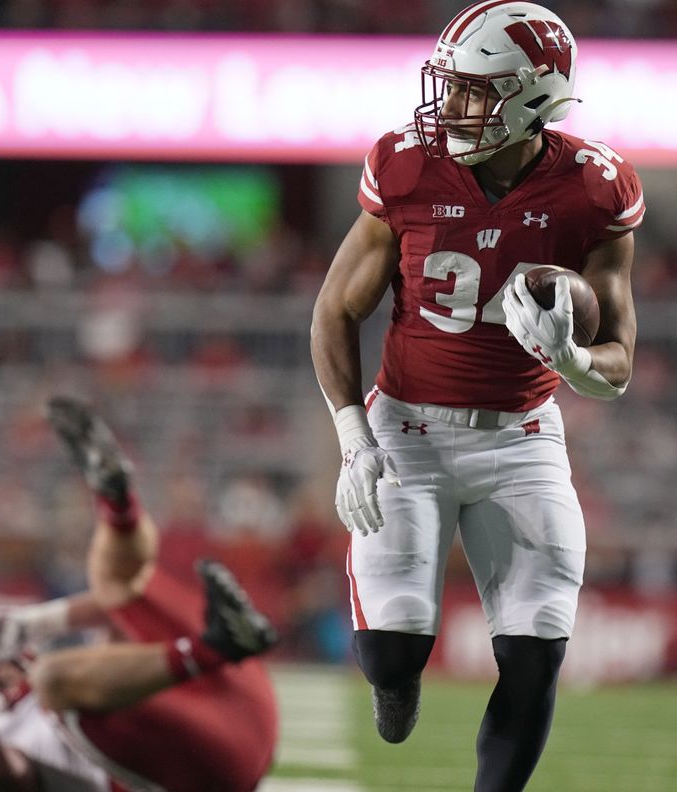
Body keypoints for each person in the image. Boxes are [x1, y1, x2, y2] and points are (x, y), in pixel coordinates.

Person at [310, 3, 643, 791]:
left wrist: (569, 357)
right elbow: (335, 309)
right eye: (451, 86)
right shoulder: (407, 164)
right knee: (390, 655)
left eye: (473, 91)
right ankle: (397, 682)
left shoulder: (595, 188)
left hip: (521, 438)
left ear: (531, 98)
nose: (449, 106)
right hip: (407, 433)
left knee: (534, 655)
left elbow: (618, 365)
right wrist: (353, 437)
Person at [0, 395, 279, 792]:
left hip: (235, 691)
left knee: (114, 590)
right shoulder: (14, 738)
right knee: (56, 680)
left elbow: (110, 605)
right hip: (201, 773)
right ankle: (215, 646)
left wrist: (33, 621)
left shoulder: (87, 674)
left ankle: (117, 502)